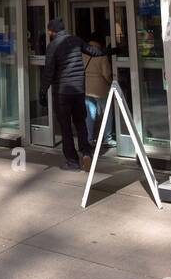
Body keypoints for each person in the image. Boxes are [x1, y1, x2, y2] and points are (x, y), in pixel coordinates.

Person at [38, 18, 108, 171]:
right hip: (78, 91)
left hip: (62, 92)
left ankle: (72, 161)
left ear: (52, 31)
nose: (48, 33)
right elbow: (94, 51)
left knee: (65, 127)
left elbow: (49, 72)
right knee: (80, 123)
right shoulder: (76, 40)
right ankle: (86, 153)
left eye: (49, 30)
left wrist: (42, 92)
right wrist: (111, 50)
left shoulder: (53, 46)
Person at [82, 37, 115, 150]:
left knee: (90, 114)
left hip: (87, 88)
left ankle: (89, 139)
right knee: (107, 113)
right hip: (101, 89)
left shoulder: (83, 53)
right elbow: (106, 74)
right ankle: (107, 138)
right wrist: (112, 83)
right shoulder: (101, 55)